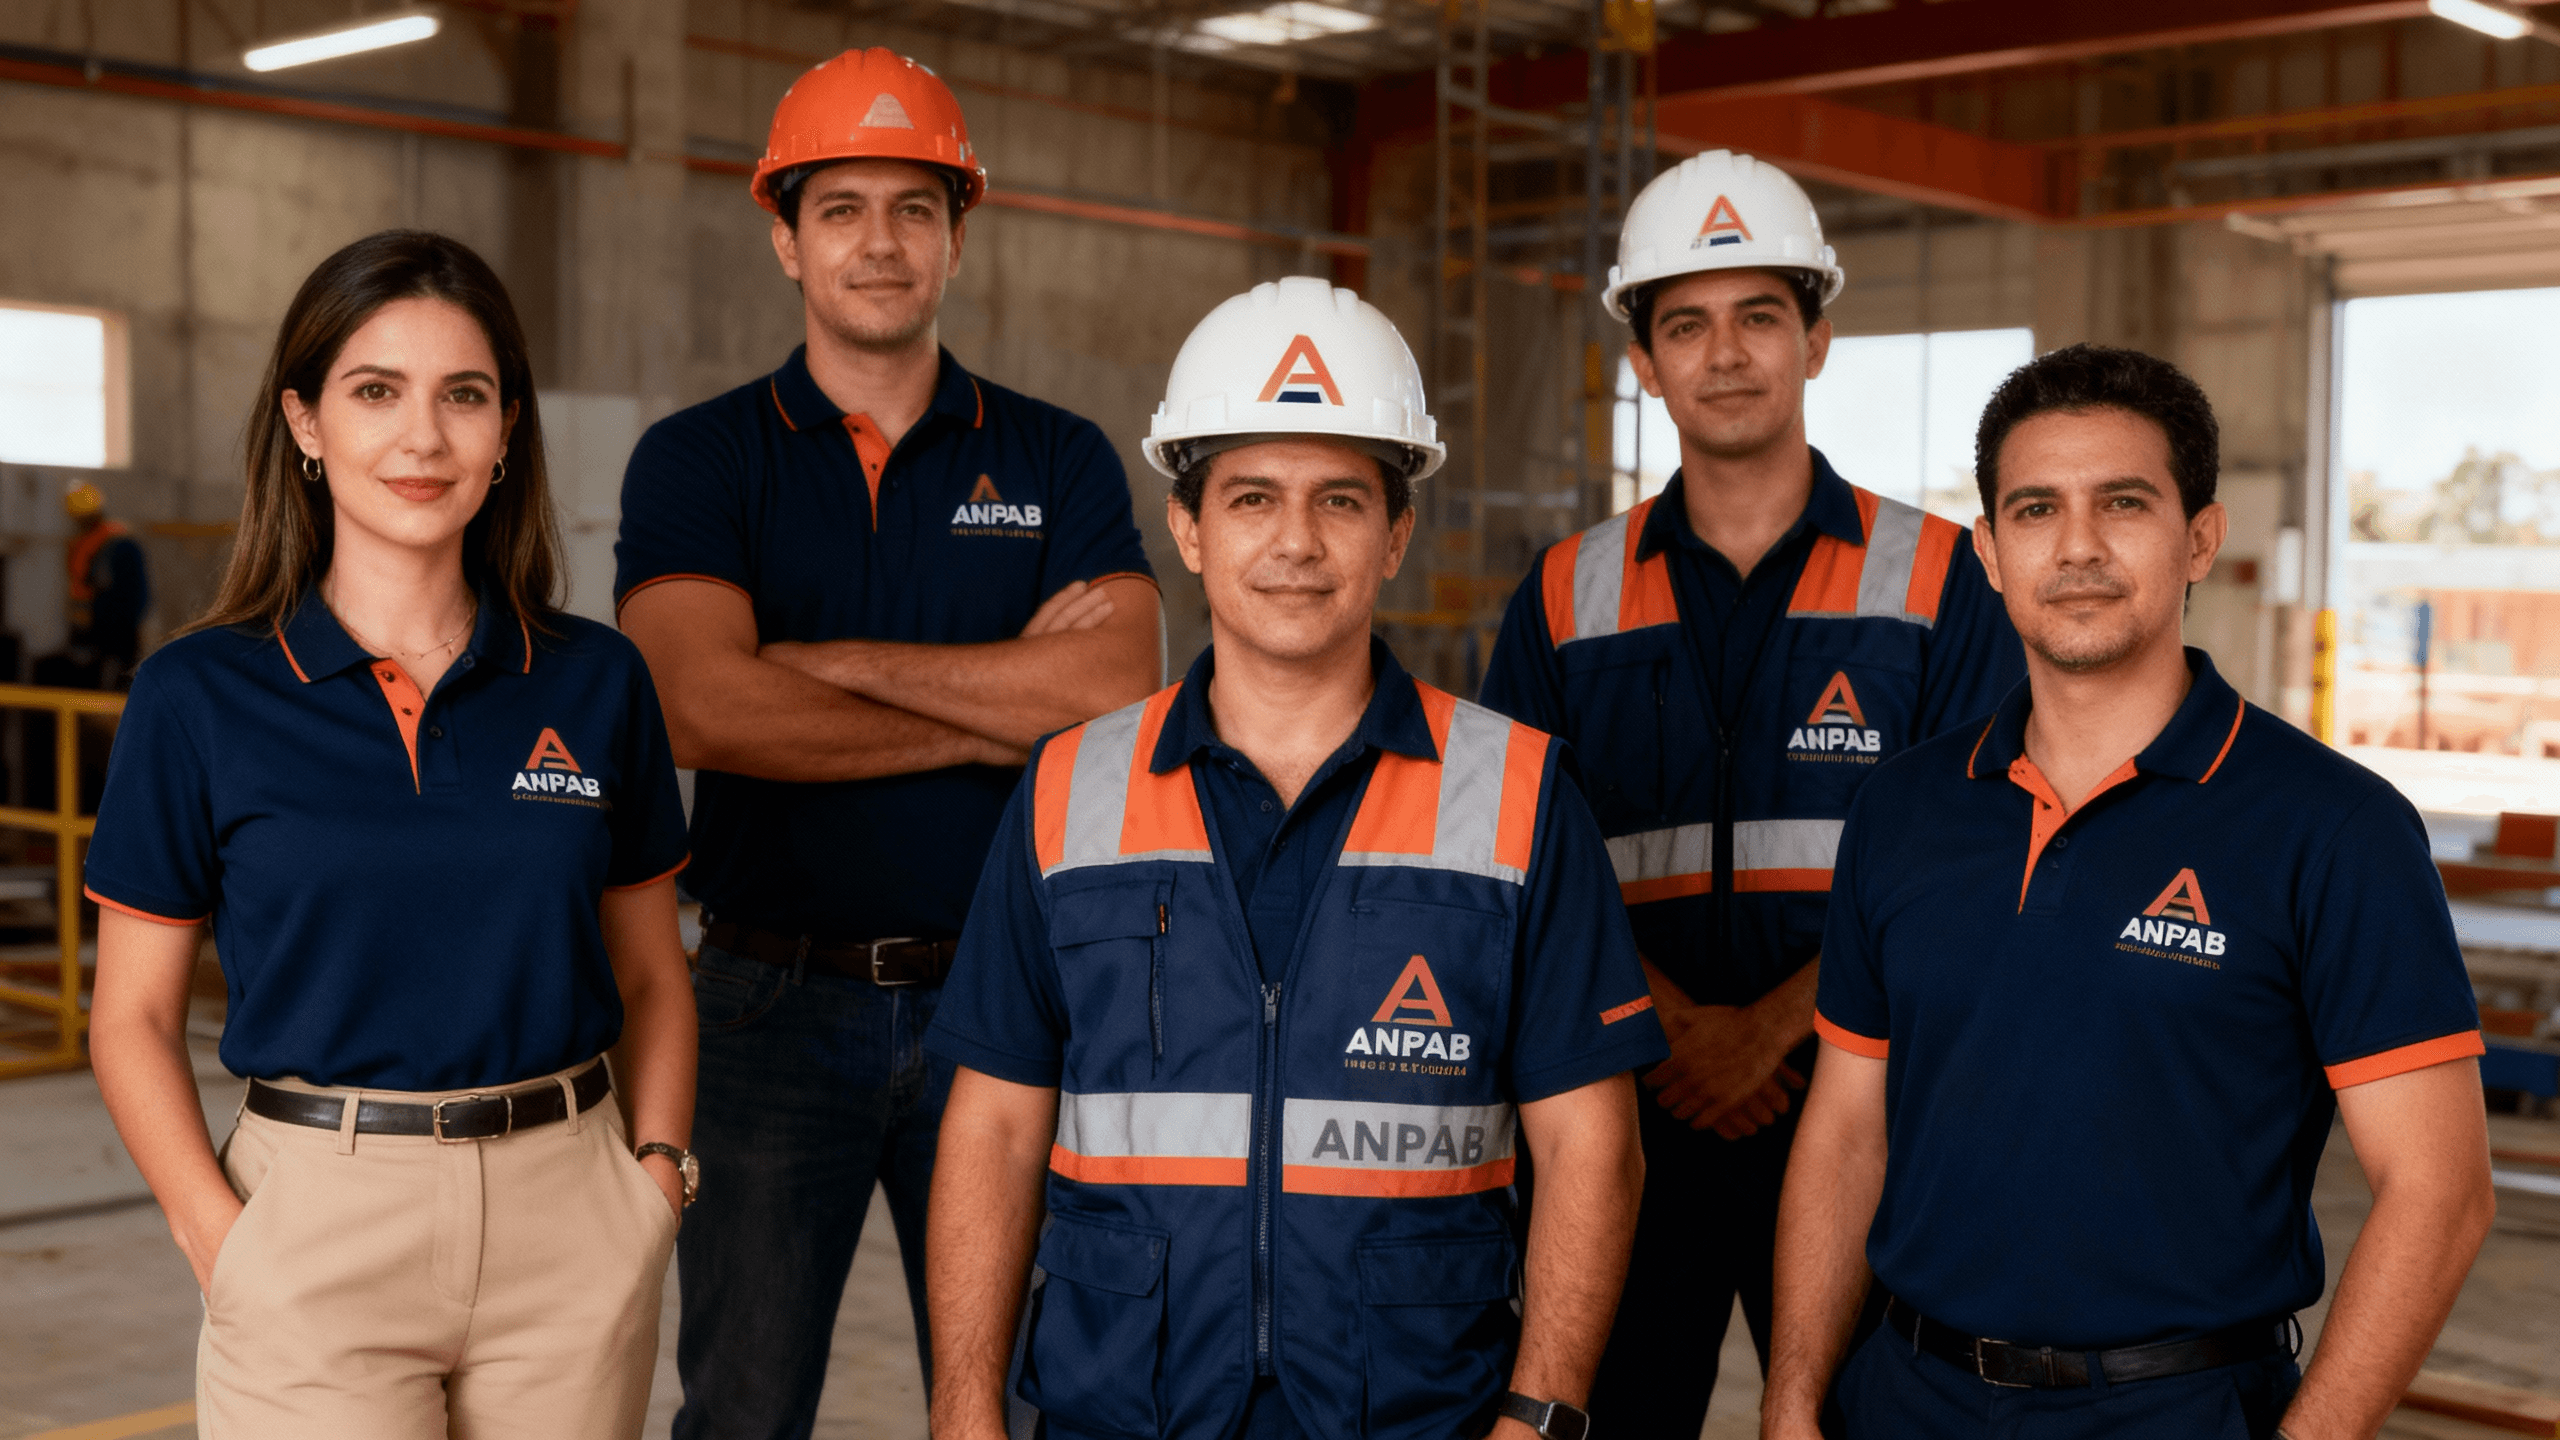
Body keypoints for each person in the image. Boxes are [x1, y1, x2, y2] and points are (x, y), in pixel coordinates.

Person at [923, 276, 1666, 1440]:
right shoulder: (1070, 790)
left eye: (1340, 501)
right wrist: (963, 1410)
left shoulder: (1518, 797)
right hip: (1121, 1410)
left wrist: (1541, 1413)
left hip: (1421, 1415)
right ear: (1188, 528)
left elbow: (1591, 1144)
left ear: (1395, 533)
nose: (1295, 544)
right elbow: (995, 1124)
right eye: (1252, 497)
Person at [1764, 344, 2495, 1440]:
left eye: (2122, 503)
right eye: (2034, 510)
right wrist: (1790, 1400)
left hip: (2178, 1409)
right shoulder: (1904, 810)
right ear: (1989, 553)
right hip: (1903, 1398)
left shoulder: (2333, 828)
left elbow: (2439, 1193)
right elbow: (1844, 1130)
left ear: (2199, 536)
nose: (2078, 548)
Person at [613, 47, 1162, 1438]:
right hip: (762, 1008)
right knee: (739, 1409)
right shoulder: (701, 458)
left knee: (1030, 1402)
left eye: (914, 208)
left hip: (1013, 1003)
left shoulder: (1057, 458)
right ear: (783, 239)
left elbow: (1114, 691)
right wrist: (999, 710)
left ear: (958, 240)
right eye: (841, 207)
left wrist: (830, 665)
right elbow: (696, 707)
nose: (879, 241)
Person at [84, 230, 697, 1439]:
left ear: (507, 429)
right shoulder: (199, 696)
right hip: (313, 1224)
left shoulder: (595, 682)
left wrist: (656, 1185)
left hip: (571, 1218)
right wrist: (222, 1239)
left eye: (463, 396)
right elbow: (133, 1019)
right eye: (376, 392)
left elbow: (652, 976)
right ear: (305, 421)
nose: (423, 437)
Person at [1477, 148, 2025, 1435]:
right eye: (1686, 324)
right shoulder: (1562, 598)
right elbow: (1509, 862)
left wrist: (1774, 1032)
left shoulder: (1943, 580)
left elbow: (1980, 855)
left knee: (1859, 1419)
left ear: (1817, 340)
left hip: (1860, 1119)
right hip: (1622, 1124)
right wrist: (1670, 1031)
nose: (1725, 354)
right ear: (1643, 362)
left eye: (1759, 316)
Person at [45, 479, 151, 688]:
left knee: (113, 682)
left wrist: (119, 627)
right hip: (87, 627)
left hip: (113, 632)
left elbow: (135, 595)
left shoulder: (120, 545)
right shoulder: (83, 543)